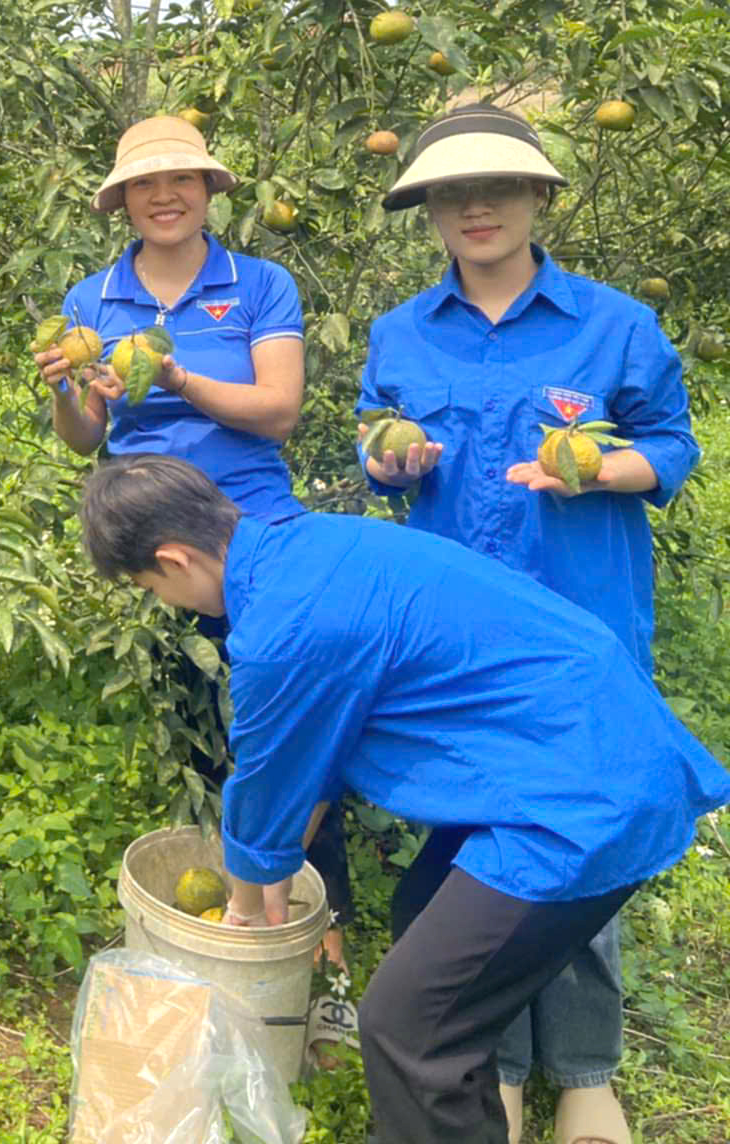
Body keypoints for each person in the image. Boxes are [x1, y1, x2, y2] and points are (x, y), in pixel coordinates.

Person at [77, 453, 730, 1144]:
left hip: (579, 793)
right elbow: (309, 770)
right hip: (566, 747)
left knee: (411, 1024)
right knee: (420, 918)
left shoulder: (281, 626)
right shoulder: (318, 545)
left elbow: (267, 791)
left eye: (151, 586)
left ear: (173, 560)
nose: (164, 602)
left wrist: (241, 912)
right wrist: (263, 877)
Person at [356, 103, 701, 1144]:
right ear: (427, 209)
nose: (476, 206)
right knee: (476, 846)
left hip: (582, 631)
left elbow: (671, 449)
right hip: (456, 650)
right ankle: (493, 1060)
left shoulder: (613, 324)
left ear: (539, 195)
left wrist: (595, 465)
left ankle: (587, 1070)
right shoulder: (401, 333)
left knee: (586, 838)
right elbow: (377, 450)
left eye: (497, 187)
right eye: (453, 192)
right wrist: (391, 456)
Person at [33, 114, 354, 969]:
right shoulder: (92, 300)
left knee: (286, 728)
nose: (163, 196)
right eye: (145, 184)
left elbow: (278, 411)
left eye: (180, 180)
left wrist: (173, 375)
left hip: (253, 533)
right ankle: (228, 914)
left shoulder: (258, 283)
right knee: (200, 731)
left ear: (209, 191)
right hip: (155, 543)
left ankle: (319, 930)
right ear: (124, 202)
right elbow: (83, 435)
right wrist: (68, 393)